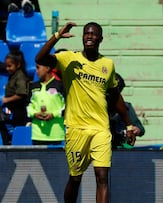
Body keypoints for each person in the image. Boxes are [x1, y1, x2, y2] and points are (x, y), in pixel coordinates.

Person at [35, 21, 135, 202]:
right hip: (76, 129)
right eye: (86, 33)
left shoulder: (107, 65)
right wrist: (57, 36)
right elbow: (40, 59)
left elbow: (115, 95)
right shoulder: (68, 59)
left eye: (93, 34)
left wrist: (128, 124)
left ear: (101, 39)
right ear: (82, 37)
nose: (89, 36)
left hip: (100, 129)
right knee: (75, 178)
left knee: (102, 176)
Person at [27, 61, 65, 145]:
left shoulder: (60, 85)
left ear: (47, 68)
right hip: (37, 135)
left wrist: (53, 114)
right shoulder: (33, 86)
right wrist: (35, 114)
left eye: (38, 67)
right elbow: (28, 107)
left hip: (56, 134)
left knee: (55, 158)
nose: (36, 71)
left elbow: (67, 107)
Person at [107, 73, 145, 149]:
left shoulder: (126, 108)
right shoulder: (96, 107)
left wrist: (135, 130)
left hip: (121, 148)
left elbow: (140, 128)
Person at [0, 50, 29, 145]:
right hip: (12, 109)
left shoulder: (20, 76)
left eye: (10, 66)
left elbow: (22, 93)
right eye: (6, 66)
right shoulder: (12, 76)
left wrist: (6, 99)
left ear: (18, 65)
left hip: (19, 110)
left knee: (18, 127)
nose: (7, 69)